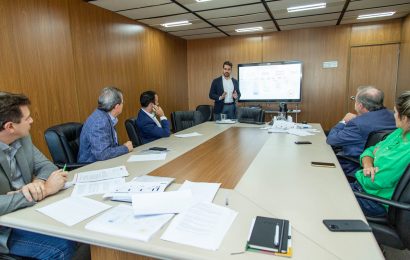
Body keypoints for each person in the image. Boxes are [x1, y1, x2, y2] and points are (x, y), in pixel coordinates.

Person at [0, 92, 75, 259]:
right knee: (61, 247)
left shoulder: (22, 138)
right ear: (10, 127)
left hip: (28, 213)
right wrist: (45, 190)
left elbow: (47, 166)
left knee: (78, 230)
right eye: (27, 118)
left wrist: (38, 183)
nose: (32, 121)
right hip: (5, 231)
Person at [351, 91, 410, 217]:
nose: (393, 115)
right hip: (364, 189)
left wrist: (361, 172)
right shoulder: (400, 132)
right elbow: (370, 150)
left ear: (404, 118)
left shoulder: (406, 150)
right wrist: (367, 164)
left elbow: (376, 181)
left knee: (320, 195)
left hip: (375, 201)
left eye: (395, 112)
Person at [327, 86, 396, 176]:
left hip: (353, 165)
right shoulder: (395, 116)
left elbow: (331, 140)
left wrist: (343, 121)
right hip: (383, 164)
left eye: (355, 100)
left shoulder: (357, 123)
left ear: (360, 106)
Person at [78, 87, 133, 163]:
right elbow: (102, 154)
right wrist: (125, 148)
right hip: (91, 166)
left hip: (104, 163)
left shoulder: (104, 116)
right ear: (117, 107)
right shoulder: (100, 121)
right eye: (123, 102)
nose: (123, 104)